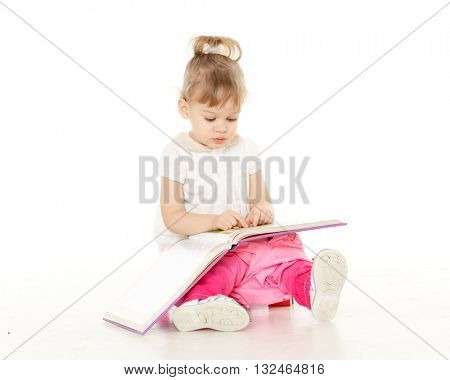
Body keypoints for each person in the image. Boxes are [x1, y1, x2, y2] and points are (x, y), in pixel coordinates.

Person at [153, 35, 347, 332]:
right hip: (195, 252)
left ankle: (310, 286)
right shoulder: (176, 153)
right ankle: (198, 303)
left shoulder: (246, 149)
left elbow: (262, 200)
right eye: (210, 117)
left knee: (283, 250)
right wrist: (215, 220)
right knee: (229, 265)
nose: (222, 127)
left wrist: (261, 211)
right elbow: (173, 218)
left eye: (231, 118)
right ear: (185, 109)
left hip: (240, 246)